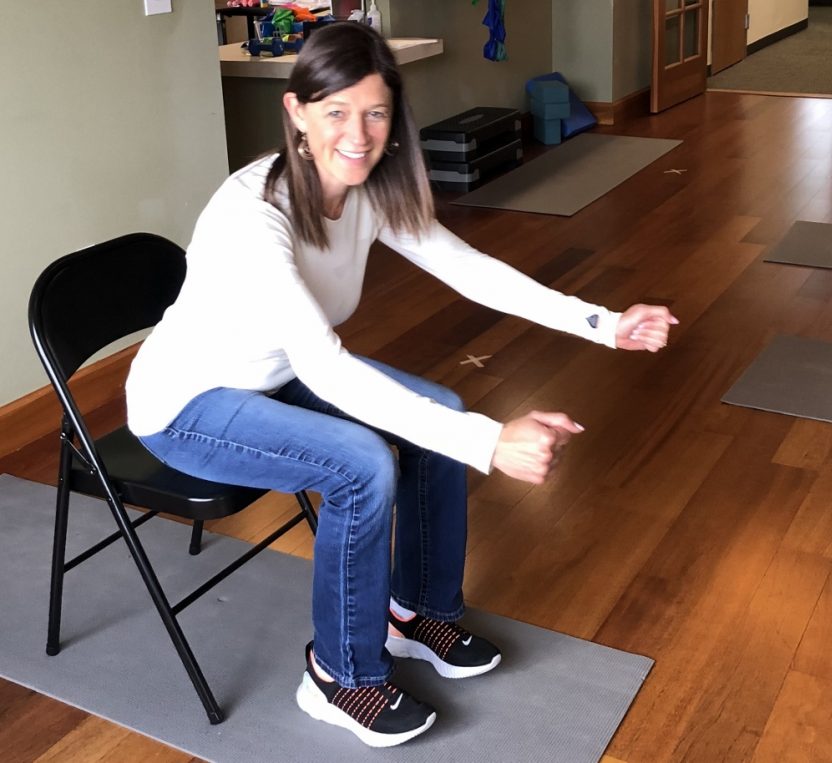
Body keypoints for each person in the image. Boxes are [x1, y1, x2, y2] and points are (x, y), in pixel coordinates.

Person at [125, 21, 677, 748]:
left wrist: (605, 323)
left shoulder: (364, 190)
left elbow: (470, 268)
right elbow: (325, 366)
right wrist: (490, 440)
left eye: (376, 112)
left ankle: (416, 611)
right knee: (361, 464)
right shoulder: (252, 215)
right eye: (336, 112)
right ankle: (340, 675)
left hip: (273, 374)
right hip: (185, 403)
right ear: (296, 113)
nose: (358, 134)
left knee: (438, 409)